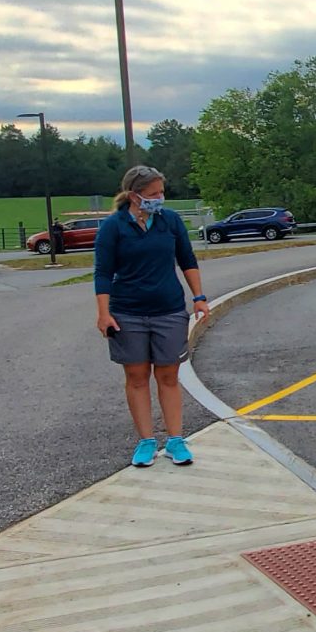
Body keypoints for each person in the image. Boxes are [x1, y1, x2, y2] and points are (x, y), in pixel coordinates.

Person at [93, 163, 208, 466]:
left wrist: (198, 297)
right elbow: (103, 273)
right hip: (127, 312)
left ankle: (175, 440)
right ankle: (146, 441)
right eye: (153, 193)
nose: (159, 197)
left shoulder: (170, 221)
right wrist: (103, 314)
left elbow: (187, 259)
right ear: (134, 195)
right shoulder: (113, 227)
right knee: (136, 376)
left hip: (168, 310)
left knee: (168, 375)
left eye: (161, 192)